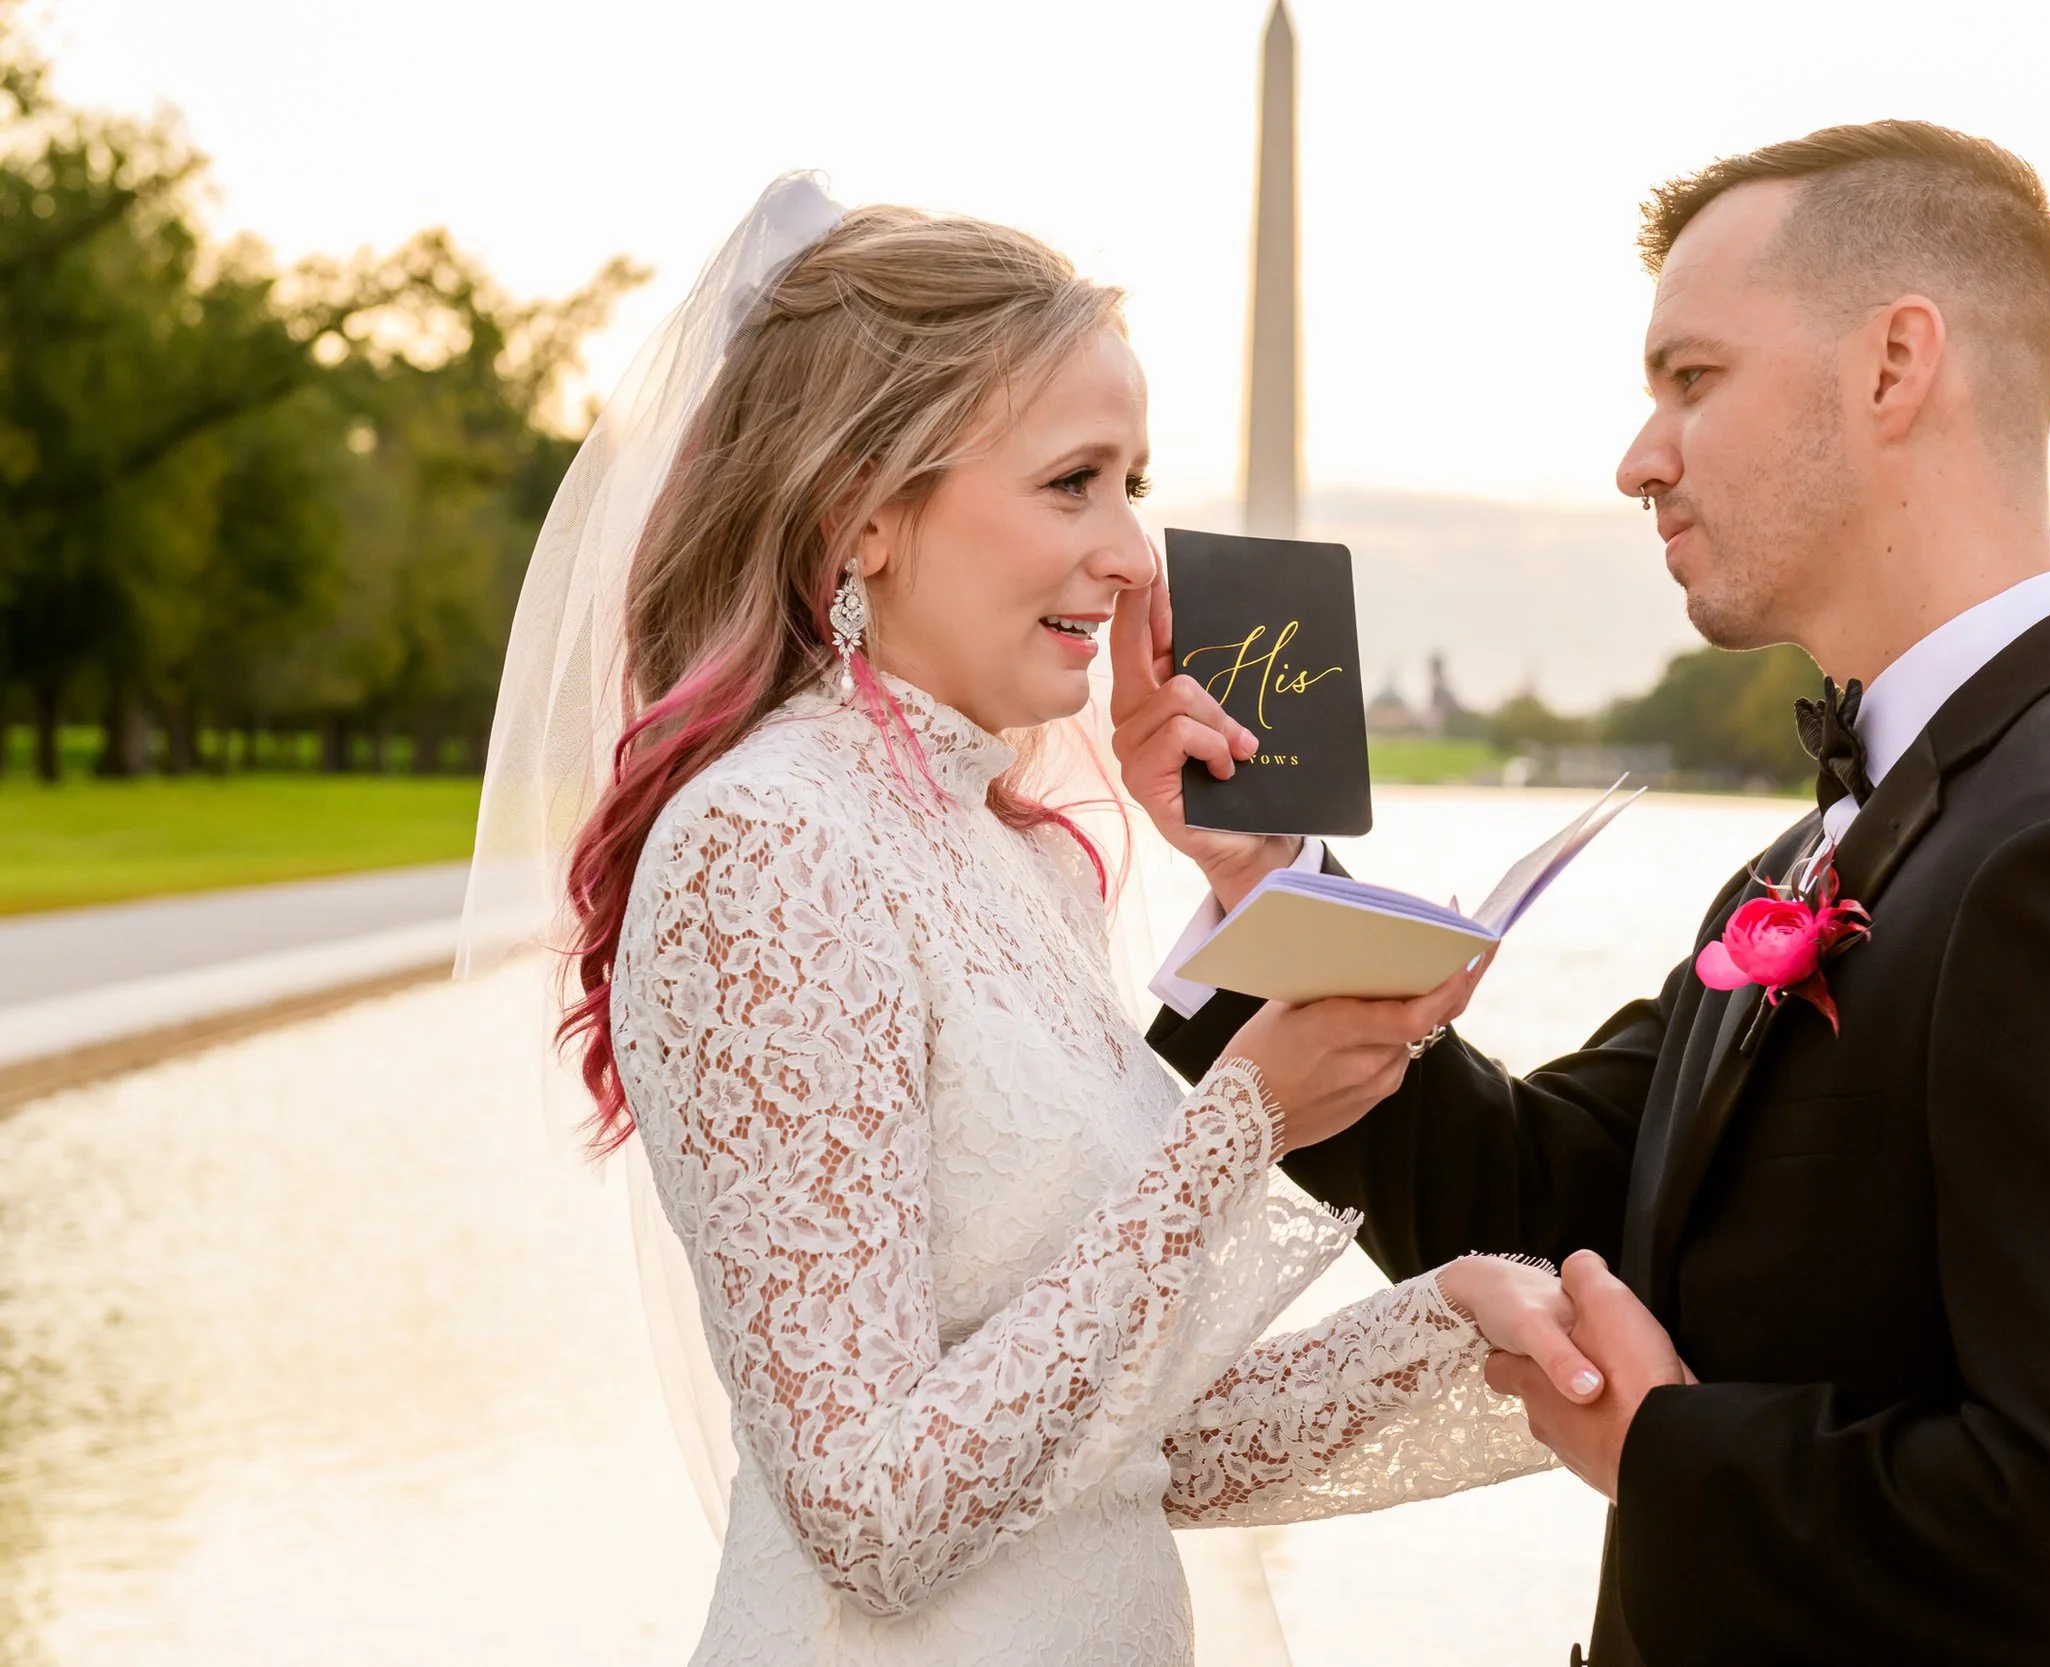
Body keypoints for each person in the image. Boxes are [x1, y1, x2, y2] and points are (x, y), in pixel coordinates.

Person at [1126, 121, 2050, 1666]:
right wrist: (1268, 881)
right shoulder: (1839, 840)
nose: (1640, 457)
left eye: (1693, 378)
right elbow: (1553, 1203)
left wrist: (1663, 1454)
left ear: (1895, 367)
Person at [472, 175, 1607, 1667]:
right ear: (864, 514)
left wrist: (1462, 1320)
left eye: (1133, 480)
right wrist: (1242, 1121)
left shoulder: (1024, 863)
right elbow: (871, 1514)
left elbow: (1121, 1438)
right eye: (1074, 482)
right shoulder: (768, 842)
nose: (1136, 552)